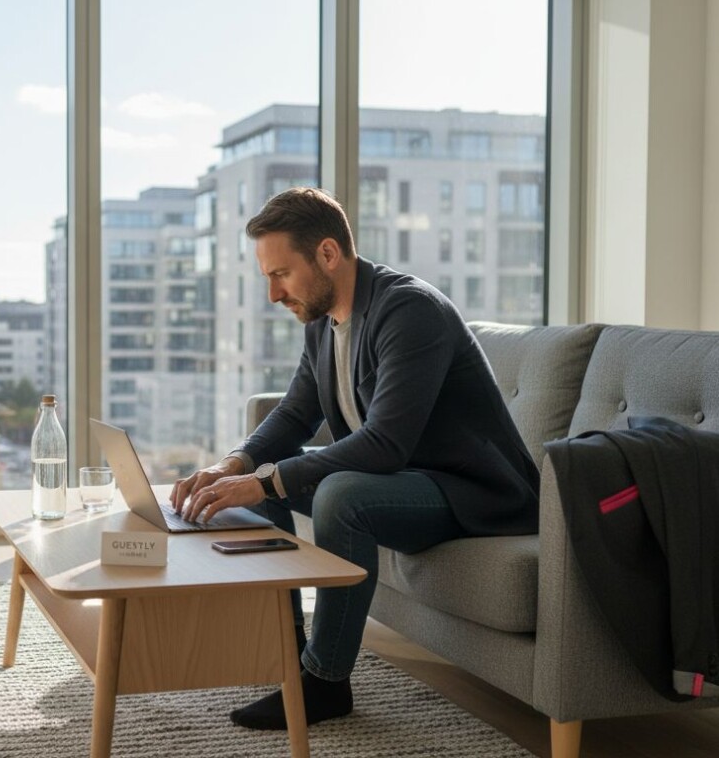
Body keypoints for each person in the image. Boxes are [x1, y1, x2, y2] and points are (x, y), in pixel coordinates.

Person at [169, 187, 539, 730]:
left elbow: (386, 443)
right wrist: (235, 465)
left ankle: (325, 684)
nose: (273, 294)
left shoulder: (410, 310)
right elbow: (296, 412)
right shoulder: (322, 319)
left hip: (475, 493)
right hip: (409, 480)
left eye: (281, 274)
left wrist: (266, 481)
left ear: (326, 254)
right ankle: (287, 656)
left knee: (336, 494)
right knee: (257, 481)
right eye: (267, 277)